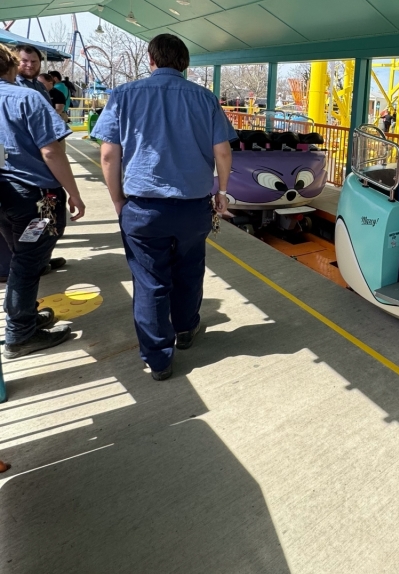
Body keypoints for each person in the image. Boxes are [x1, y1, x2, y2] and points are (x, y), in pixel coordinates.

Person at [92, 34, 237, 381]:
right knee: (189, 268)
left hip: (142, 208)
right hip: (192, 208)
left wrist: (117, 200)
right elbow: (224, 152)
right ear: (184, 63)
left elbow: (109, 154)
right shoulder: (205, 99)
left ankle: (158, 360)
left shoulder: (124, 95)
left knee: (150, 282)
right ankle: (186, 330)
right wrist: (222, 192)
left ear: (151, 59)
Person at [0, 44, 86, 358]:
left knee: (20, 257)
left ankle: (23, 317)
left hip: (5, 198)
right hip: (35, 198)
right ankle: (20, 333)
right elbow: (51, 151)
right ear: (11, 67)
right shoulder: (27, 98)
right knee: (28, 261)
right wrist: (73, 192)